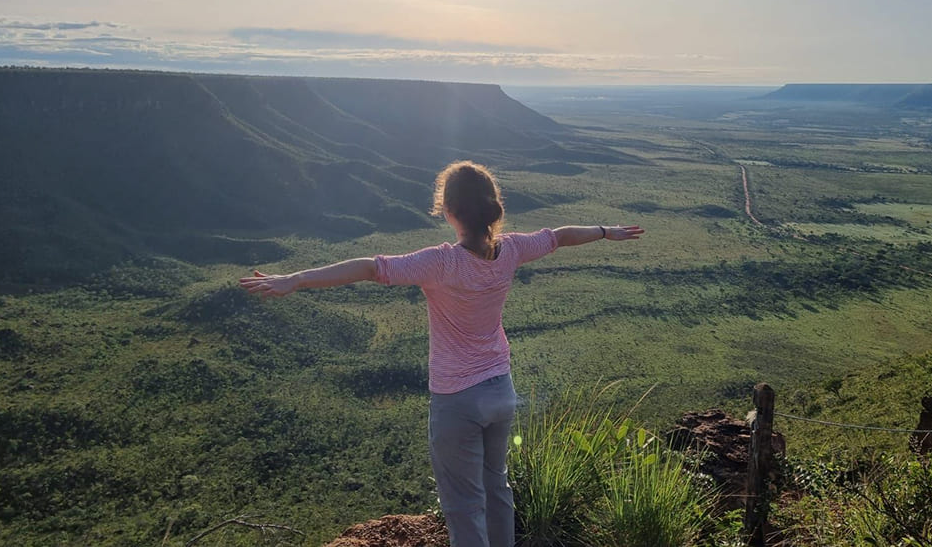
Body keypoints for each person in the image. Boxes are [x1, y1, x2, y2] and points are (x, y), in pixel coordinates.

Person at [240, 160, 642, 547]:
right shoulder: (514, 249)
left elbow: (369, 267)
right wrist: (605, 231)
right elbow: (559, 235)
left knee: (463, 505)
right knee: (496, 486)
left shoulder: (441, 262)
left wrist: (296, 279)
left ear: (448, 211)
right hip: (501, 390)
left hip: (457, 399)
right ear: (491, 208)